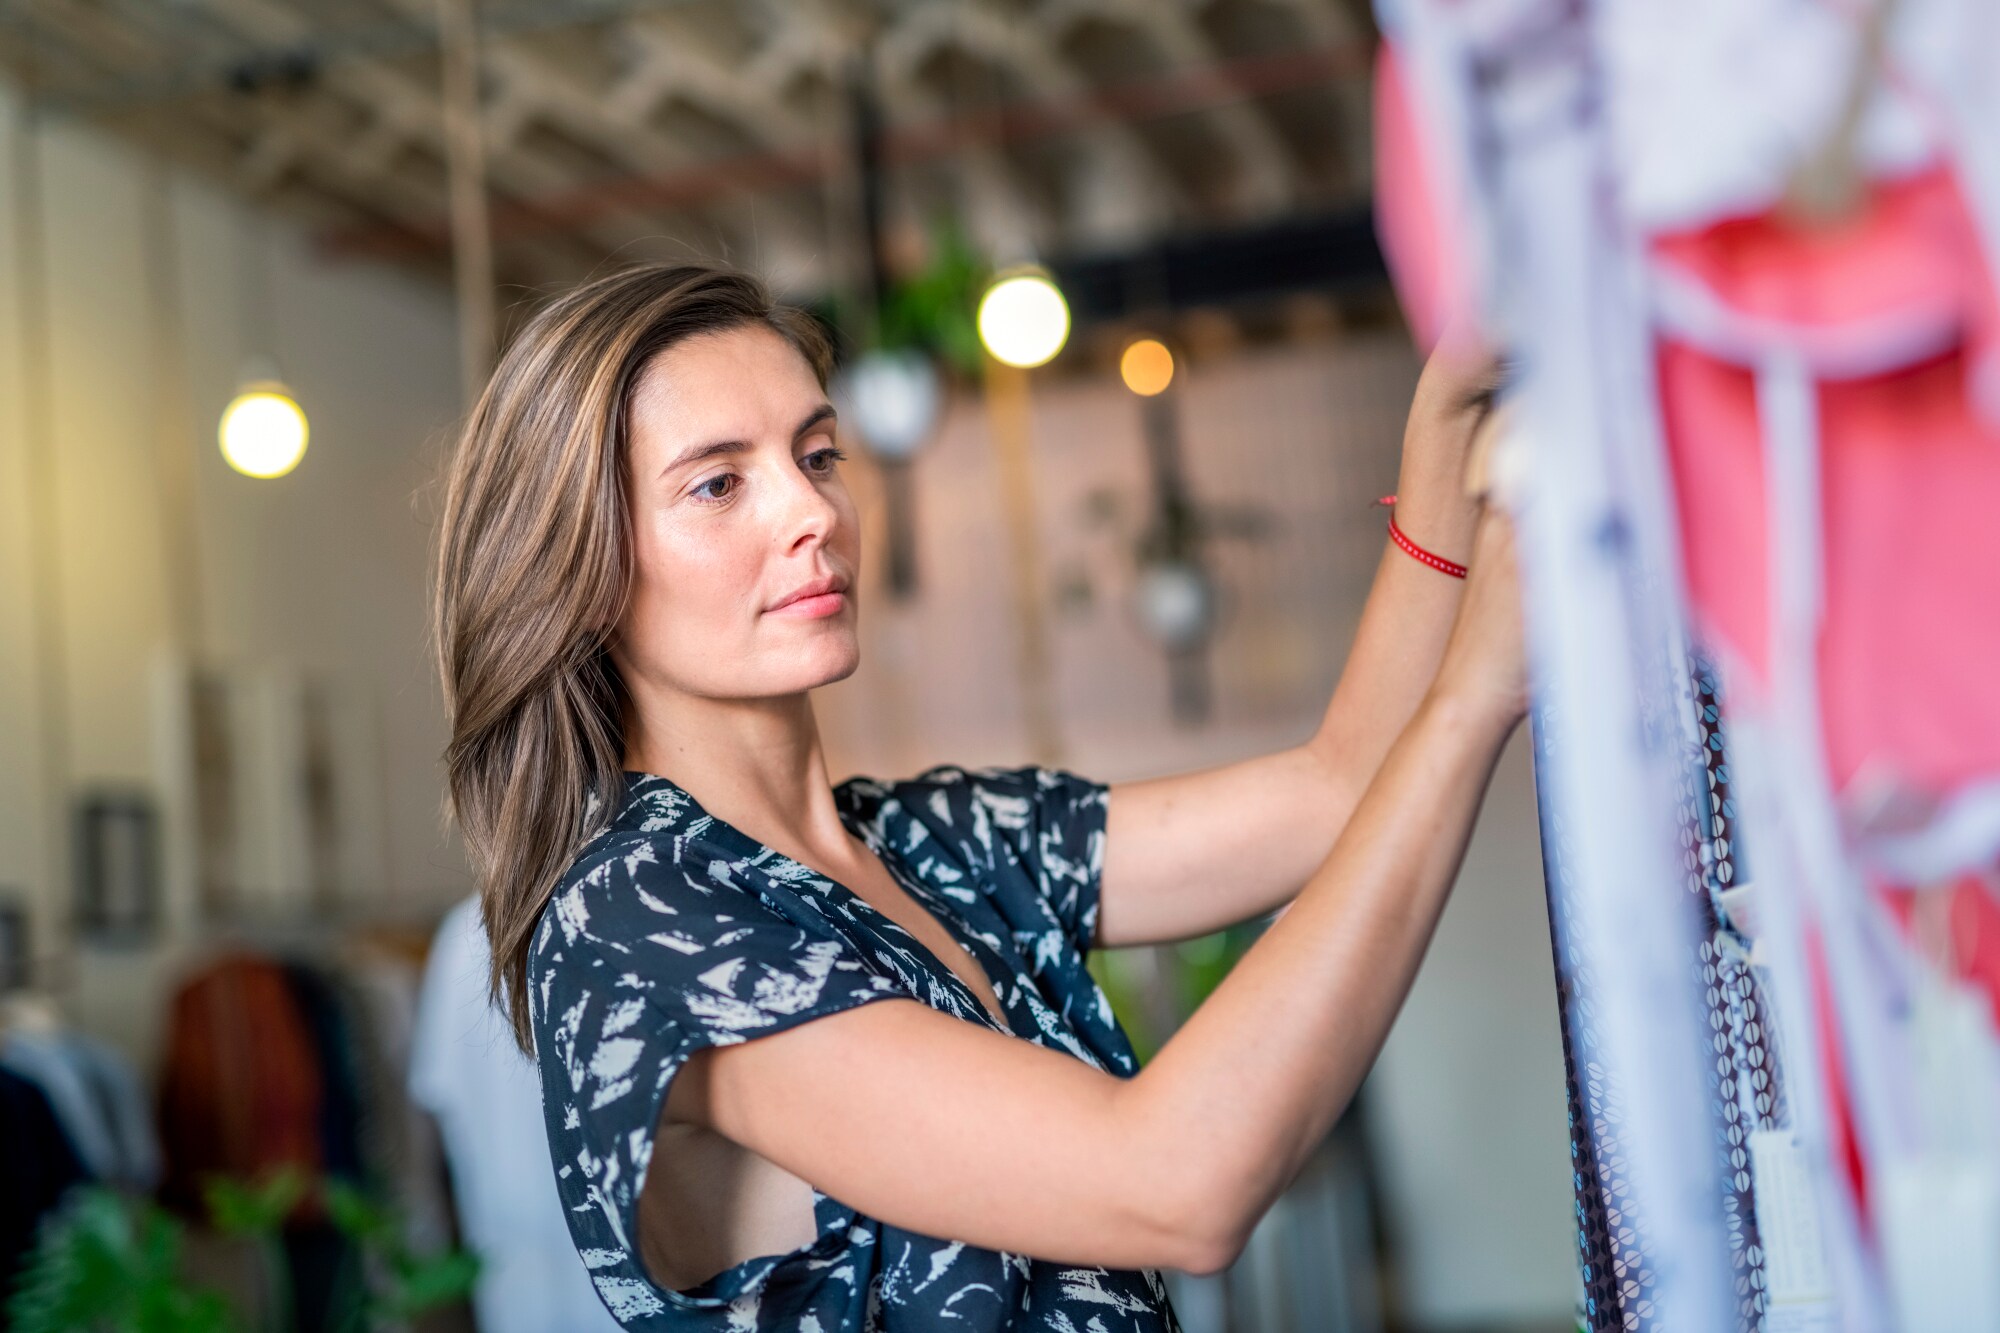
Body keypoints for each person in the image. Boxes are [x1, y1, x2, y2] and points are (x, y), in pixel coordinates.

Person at [431, 261, 1526, 1331]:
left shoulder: (926, 840)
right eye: (718, 483)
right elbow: (1175, 1183)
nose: (810, 511)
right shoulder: (640, 916)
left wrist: (1437, 443)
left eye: (817, 454)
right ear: (579, 563)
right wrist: (1477, 693)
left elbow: (1335, 797)